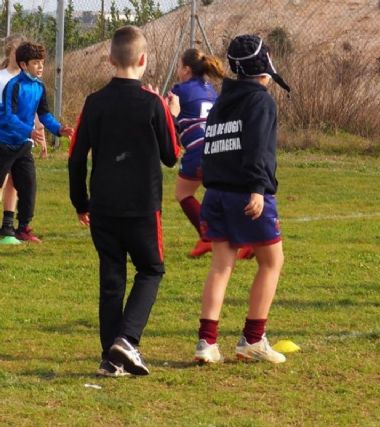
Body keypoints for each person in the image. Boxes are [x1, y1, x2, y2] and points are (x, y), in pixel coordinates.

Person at [68, 25, 180, 377]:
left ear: (110, 58)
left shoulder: (94, 102)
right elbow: (171, 155)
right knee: (151, 270)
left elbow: (75, 158)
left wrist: (80, 202)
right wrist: (170, 115)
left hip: (103, 206)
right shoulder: (153, 104)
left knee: (112, 277)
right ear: (143, 60)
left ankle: (109, 358)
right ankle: (127, 340)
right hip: (143, 207)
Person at [193, 34, 291, 364]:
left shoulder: (224, 99)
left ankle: (206, 344)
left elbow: (215, 146)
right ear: (264, 66)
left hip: (216, 193)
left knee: (221, 266)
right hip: (246, 194)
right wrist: (258, 189)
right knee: (272, 262)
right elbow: (259, 147)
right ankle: (252, 339)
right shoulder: (261, 101)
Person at [0, 41, 73, 244]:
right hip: (4, 143)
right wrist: (29, 131)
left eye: (42, 62)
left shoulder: (39, 87)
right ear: (23, 65)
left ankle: (22, 228)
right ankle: (6, 227)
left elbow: (44, 114)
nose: (40, 66)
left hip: (23, 145)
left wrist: (58, 129)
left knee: (28, 186)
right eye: (36, 63)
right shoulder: (14, 86)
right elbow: (7, 116)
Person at [171, 48, 227, 258]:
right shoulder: (211, 90)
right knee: (223, 194)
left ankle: (207, 238)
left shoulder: (179, 91)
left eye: (179, 66)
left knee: (183, 194)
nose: (178, 70)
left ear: (186, 69)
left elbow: (166, 119)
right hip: (220, 147)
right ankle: (248, 239)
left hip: (198, 149)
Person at [0, 35, 46, 245]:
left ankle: (10, 227)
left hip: (22, 142)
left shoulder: (32, 83)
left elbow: (36, 110)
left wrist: (40, 134)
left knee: (18, 184)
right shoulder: (3, 79)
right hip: (4, 140)